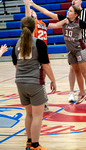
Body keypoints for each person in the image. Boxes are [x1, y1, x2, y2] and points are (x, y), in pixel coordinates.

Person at [30, 0, 86, 108]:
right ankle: (82, 93)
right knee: (76, 71)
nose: (68, 12)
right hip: (71, 51)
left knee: (85, 73)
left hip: (80, 49)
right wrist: (34, 5)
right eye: (68, 10)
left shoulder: (80, 22)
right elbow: (47, 12)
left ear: (75, 14)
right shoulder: (63, 19)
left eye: (70, 11)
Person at [11, 16, 56, 150]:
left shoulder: (16, 44)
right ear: (34, 28)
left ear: (21, 28)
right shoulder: (39, 43)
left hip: (20, 82)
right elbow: (46, 65)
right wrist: (53, 80)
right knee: (37, 116)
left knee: (29, 114)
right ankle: (36, 145)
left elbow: (16, 65)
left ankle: (29, 142)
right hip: (35, 82)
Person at [25, 0, 68, 112]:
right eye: (30, 12)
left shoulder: (43, 23)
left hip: (43, 52)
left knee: (42, 78)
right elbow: (27, 5)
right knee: (37, 78)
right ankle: (36, 101)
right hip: (34, 52)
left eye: (33, 12)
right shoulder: (29, 23)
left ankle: (42, 102)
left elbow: (55, 26)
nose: (32, 12)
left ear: (36, 14)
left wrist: (64, 21)